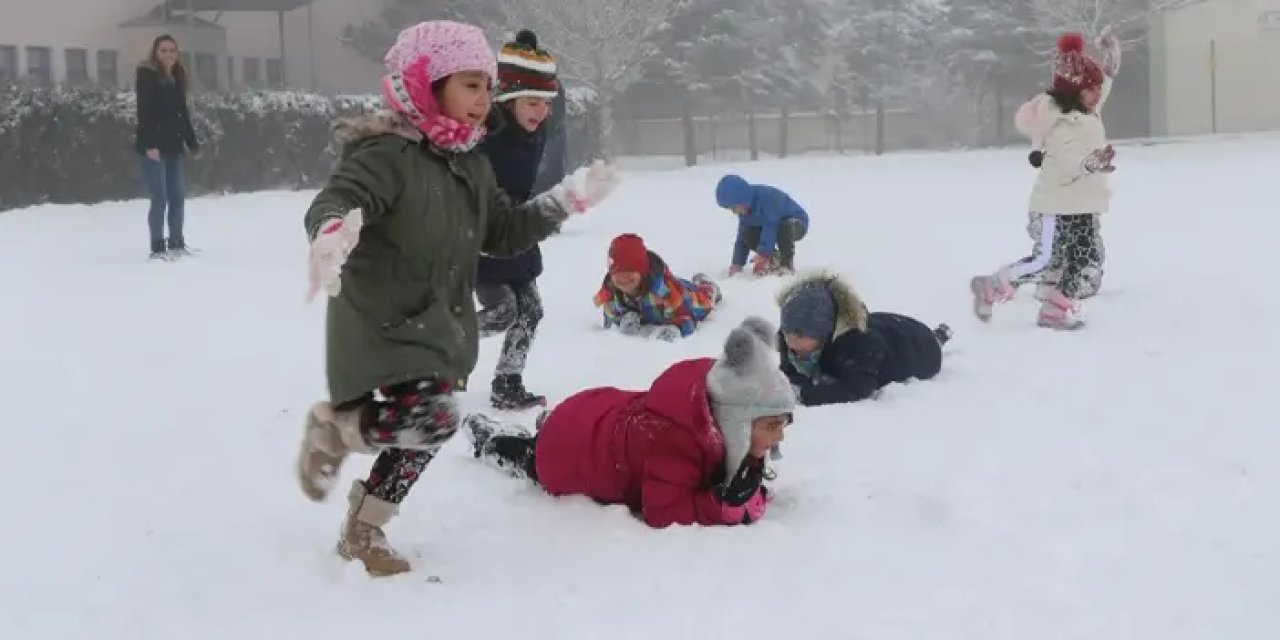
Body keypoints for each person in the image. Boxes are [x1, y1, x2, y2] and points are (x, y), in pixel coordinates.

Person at [293, 20, 617, 577]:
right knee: (433, 419)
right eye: (470, 84)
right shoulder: (385, 154)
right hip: (385, 322)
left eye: (487, 86)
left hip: (439, 325)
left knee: (426, 430)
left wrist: (563, 201)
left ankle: (363, 529)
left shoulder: (470, 162)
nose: (483, 99)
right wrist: (331, 232)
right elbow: (340, 197)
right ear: (426, 81)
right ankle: (337, 434)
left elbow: (501, 233)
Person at [462, 317, 793, 528]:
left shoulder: (717, 402)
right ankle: (491, 439)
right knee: (533, 455)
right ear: (736, 422)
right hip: (572, 453)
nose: (779, 437)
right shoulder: (676, 440)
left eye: (781, 424)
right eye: (771, 426)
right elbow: (664, 512)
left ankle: (550, 423)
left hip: (596, 414)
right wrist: (717, 506)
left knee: (565, 429)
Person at [970, 30, 1121, 330]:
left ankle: (1055, 307)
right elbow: (1068, 164)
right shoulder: (1061, 123)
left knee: (1084, 258)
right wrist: (1093, 162)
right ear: (1077, 91)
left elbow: (1106, 80)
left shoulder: (1088, 110)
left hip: (1082, 205)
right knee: (1044, 260)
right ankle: (991, 286)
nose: (1097, 93)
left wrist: (1112, 53)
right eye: (1092, 89)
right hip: (1056, 206)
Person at [475, 29, 563, 411]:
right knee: (500, 312)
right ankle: (439, 349)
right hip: (483, 236)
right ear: (507, 100)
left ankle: (507, 381)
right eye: (531, 102)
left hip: (519, 231)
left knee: (531, 309)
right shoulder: (483, 133)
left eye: (545, 103)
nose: (539, 111)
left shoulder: (536, 131)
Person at [777, 271, 950, 406]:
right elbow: (789, 371)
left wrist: (805, 395)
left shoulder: (857, 346)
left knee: (929, 342)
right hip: (886, 324)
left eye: (800, 334)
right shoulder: (791, 341)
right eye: (786, 332)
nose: (791, 341)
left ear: (825, 332)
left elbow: (857, 388)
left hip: (920, 347)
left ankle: (939, 337)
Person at [134, 34, 199, 261]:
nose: (169, 55)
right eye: (164, 50)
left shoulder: (177, 77)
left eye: (172, 51)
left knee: (177, 196)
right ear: (155, 53)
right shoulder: (147, 77)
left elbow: (182, 113)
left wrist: (191, 140)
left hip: (173, 146)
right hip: (154, 148)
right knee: (159, 198)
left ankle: (177, 242)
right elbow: (145, 112)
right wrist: (150, 144)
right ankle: (158, 246)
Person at [593, 233, 721, 341]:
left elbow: (686, 317)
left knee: (703, 299)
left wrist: (676, 329)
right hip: (666, 295)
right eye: (618, 274)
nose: (624, 280)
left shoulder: (665, 291)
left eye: (630, 273)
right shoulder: (611, 291)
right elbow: (609, 318)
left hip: (686, 299)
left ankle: (707, 284)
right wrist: (621, 321)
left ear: (641, 271)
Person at [714, 174, 809, 276]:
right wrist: (737, 263)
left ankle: (786, 265)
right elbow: (742, 237)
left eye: (734, 208)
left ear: (742, 199)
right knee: (748, 234)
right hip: (771, 226)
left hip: (796, 222)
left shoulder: (767, 199)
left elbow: (770, 226)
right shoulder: (745, 211)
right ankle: (774, 258)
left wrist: (763, 254)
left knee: (783, 228)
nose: (733, 212)